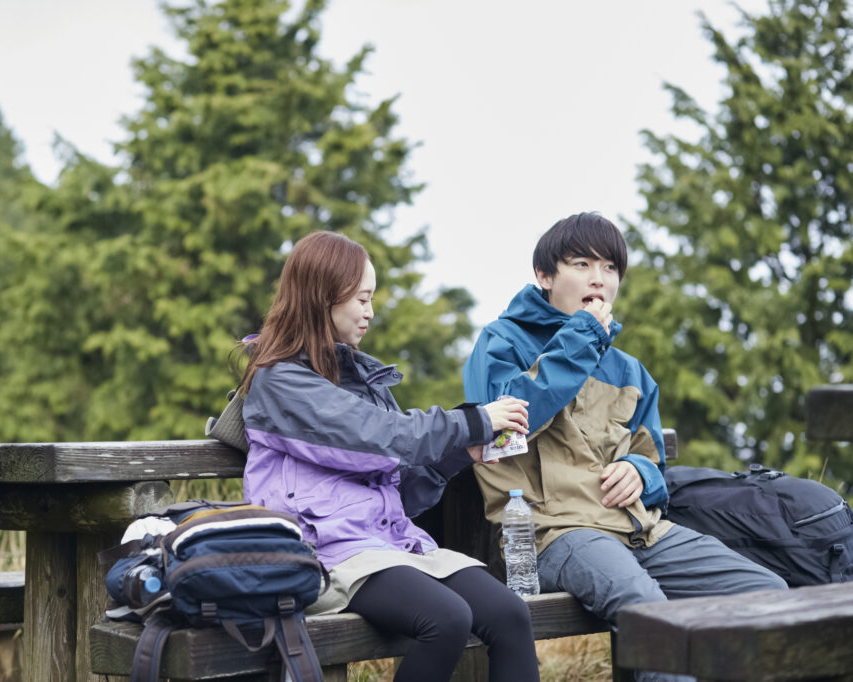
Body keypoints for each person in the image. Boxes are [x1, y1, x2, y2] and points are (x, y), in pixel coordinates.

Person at [462, 213, 787, 666]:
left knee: (769, 595)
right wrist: (582, 338)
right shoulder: (501, 343)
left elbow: (652, 461)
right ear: (544, 275)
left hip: (641, 530)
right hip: (555, 533)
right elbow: (504, 427)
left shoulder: (630, 371)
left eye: (610, 268)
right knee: (652, 614)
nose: (598, 278)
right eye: (581, 264)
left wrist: (641, 472)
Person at [240, 231, 540, 682]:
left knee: (510, 614)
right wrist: (472, 422)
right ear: (323, 295)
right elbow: (376, 439)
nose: (370, 312)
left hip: (391, 544)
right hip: (325, 552)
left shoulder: (365, 382)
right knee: (446, 619)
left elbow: (404, 489)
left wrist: (457, 455)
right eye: (362, 298)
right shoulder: (280, 382)